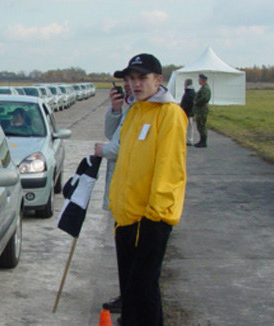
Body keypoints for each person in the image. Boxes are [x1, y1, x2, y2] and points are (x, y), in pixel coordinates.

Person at [109, 53, 187, 326]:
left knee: (142, 288)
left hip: (150, 218)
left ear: (159, 79)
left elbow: (170, 169)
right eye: (130, 79)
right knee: (131, 290)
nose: (135, 84)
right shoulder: (135, 112)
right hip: (126, 216)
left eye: (142, 78)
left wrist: (155, 215)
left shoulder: (170, 114)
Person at [93, 79, 134, 315]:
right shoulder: (130, 108)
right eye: (126, 82)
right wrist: (115, 109)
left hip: (130, 191)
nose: (129, 86)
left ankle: (130, 300)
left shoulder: (143, 111)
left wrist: (103, 150)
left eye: (135, 80)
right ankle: (126, 294)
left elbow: (124, 147)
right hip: (120, 190)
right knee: (122, 249)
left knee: (129, 250)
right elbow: (112, 132)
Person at [194, 74, 211, 148]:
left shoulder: (205, 88)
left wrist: (197, 102)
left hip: (202, 109)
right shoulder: (203, 87)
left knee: (201, 125)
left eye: (199, 79)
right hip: (200, 109)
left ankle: (203, 141)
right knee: (200, 125)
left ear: (203, 80)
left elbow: (205, 98)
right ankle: (201, 140)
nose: (199, 81)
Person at [180, 78, 196, 146]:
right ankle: (188, 139)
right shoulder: (191, 92)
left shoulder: (189, 92)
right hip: (188, 111)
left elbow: (188, 103)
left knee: (189, 126)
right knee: (188, 126)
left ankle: (189, 140)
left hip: (188, 112)